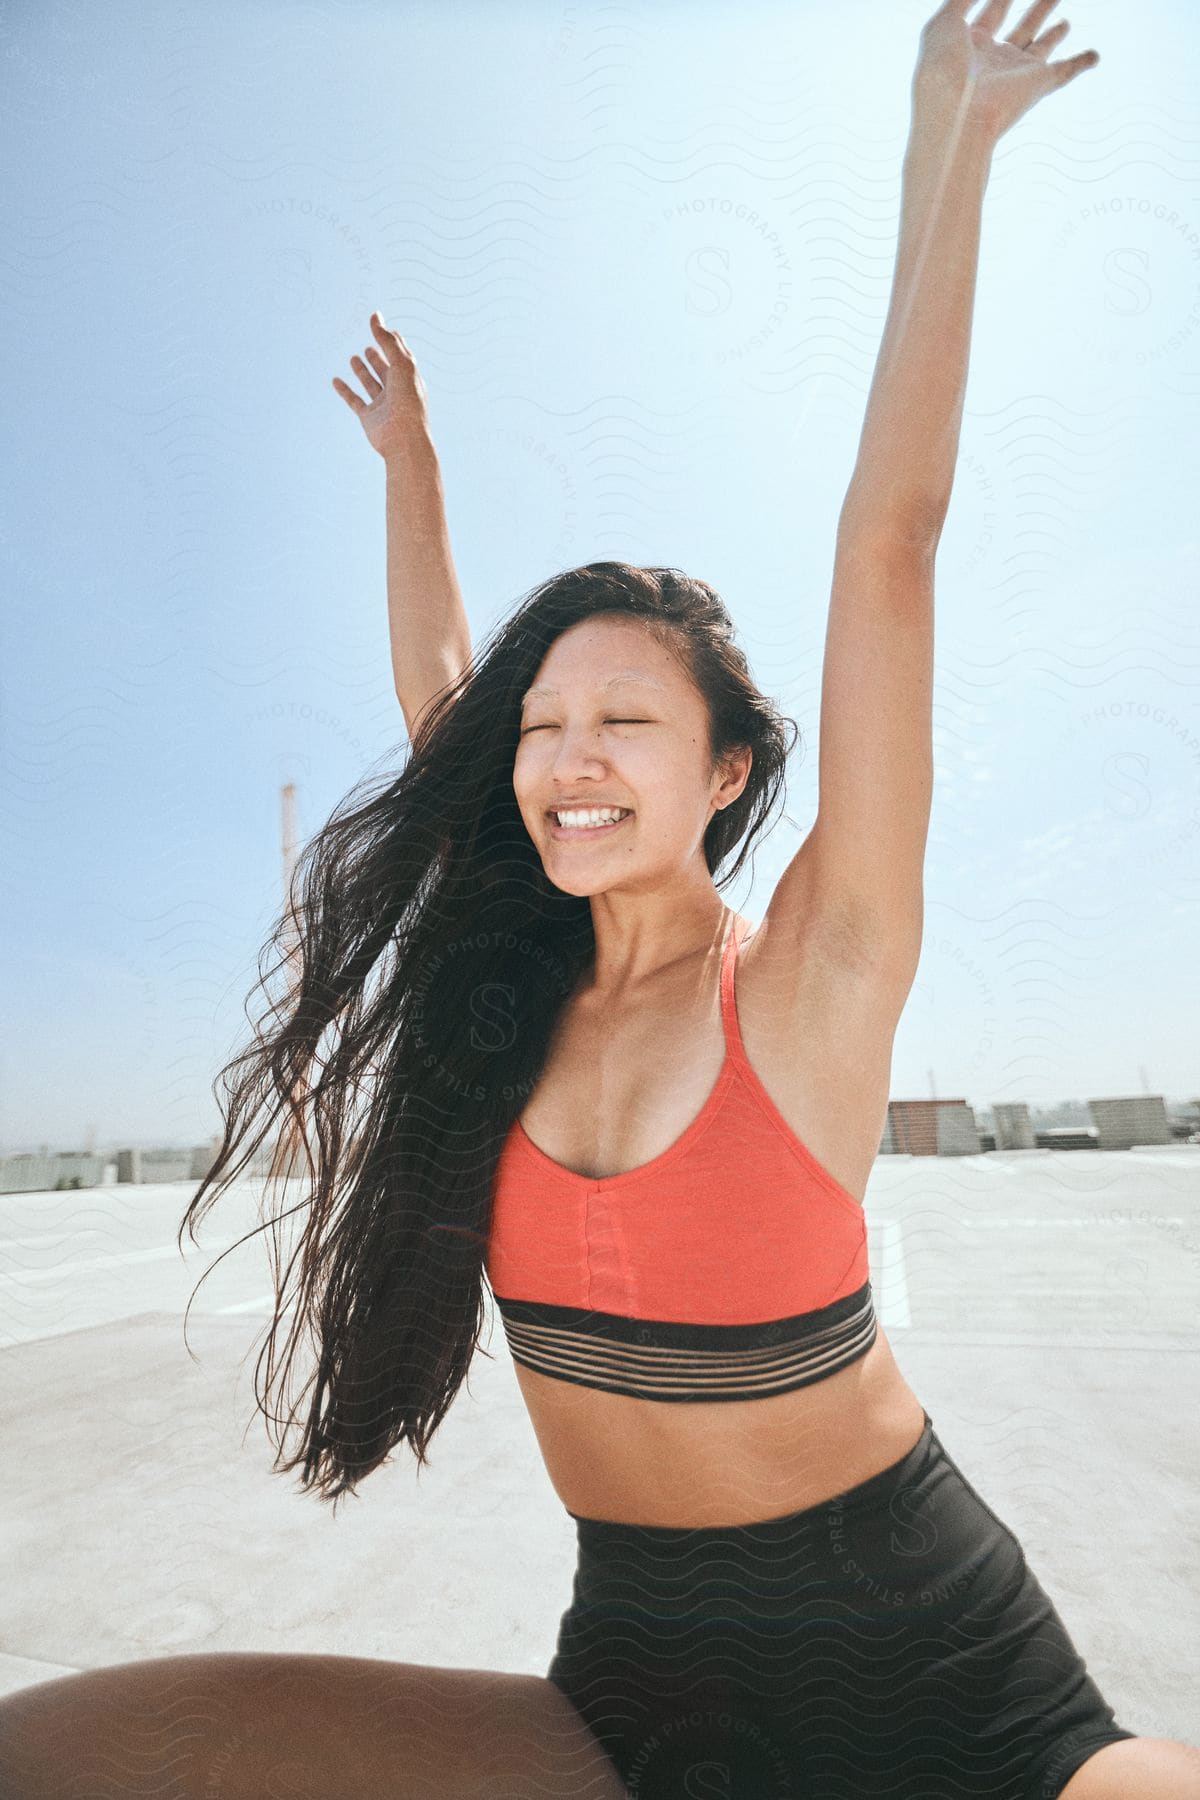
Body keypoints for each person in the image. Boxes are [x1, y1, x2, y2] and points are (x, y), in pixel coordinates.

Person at [3, 3, 1198, 1796]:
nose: (570, 754)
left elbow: (894, 538)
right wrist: (413, 469)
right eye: (547, 723)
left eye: (626, 720)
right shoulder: (510, 985)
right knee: (74, 1752)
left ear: (725, 773)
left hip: (947, 1699)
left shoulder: (818, 971)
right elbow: (443, 700)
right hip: (632, 1701)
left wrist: (945, 148)